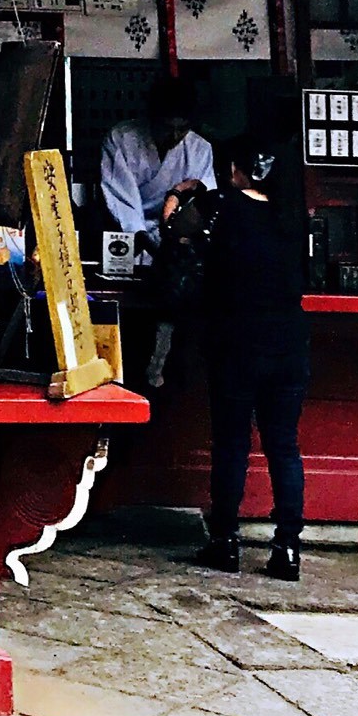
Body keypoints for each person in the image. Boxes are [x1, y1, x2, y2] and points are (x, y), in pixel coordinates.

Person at [188, 129, 310, 580]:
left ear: (236, 168)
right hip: (288, 341)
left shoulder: (222, 209)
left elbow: (185, 242)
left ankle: (225, 540)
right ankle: (288, 548)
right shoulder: (289, 216)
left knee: (233, 443)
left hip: (237, 340)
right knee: (284, 445)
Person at [99, 75, 215, 246]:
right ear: (152, 119)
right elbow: (121, 198)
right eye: (167, 128)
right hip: (128, 234)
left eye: (182, 129)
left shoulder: (200, 148)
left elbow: (202, 201)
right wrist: (140, 236)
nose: (175, 136)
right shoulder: (121, 138)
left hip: (177, 235)